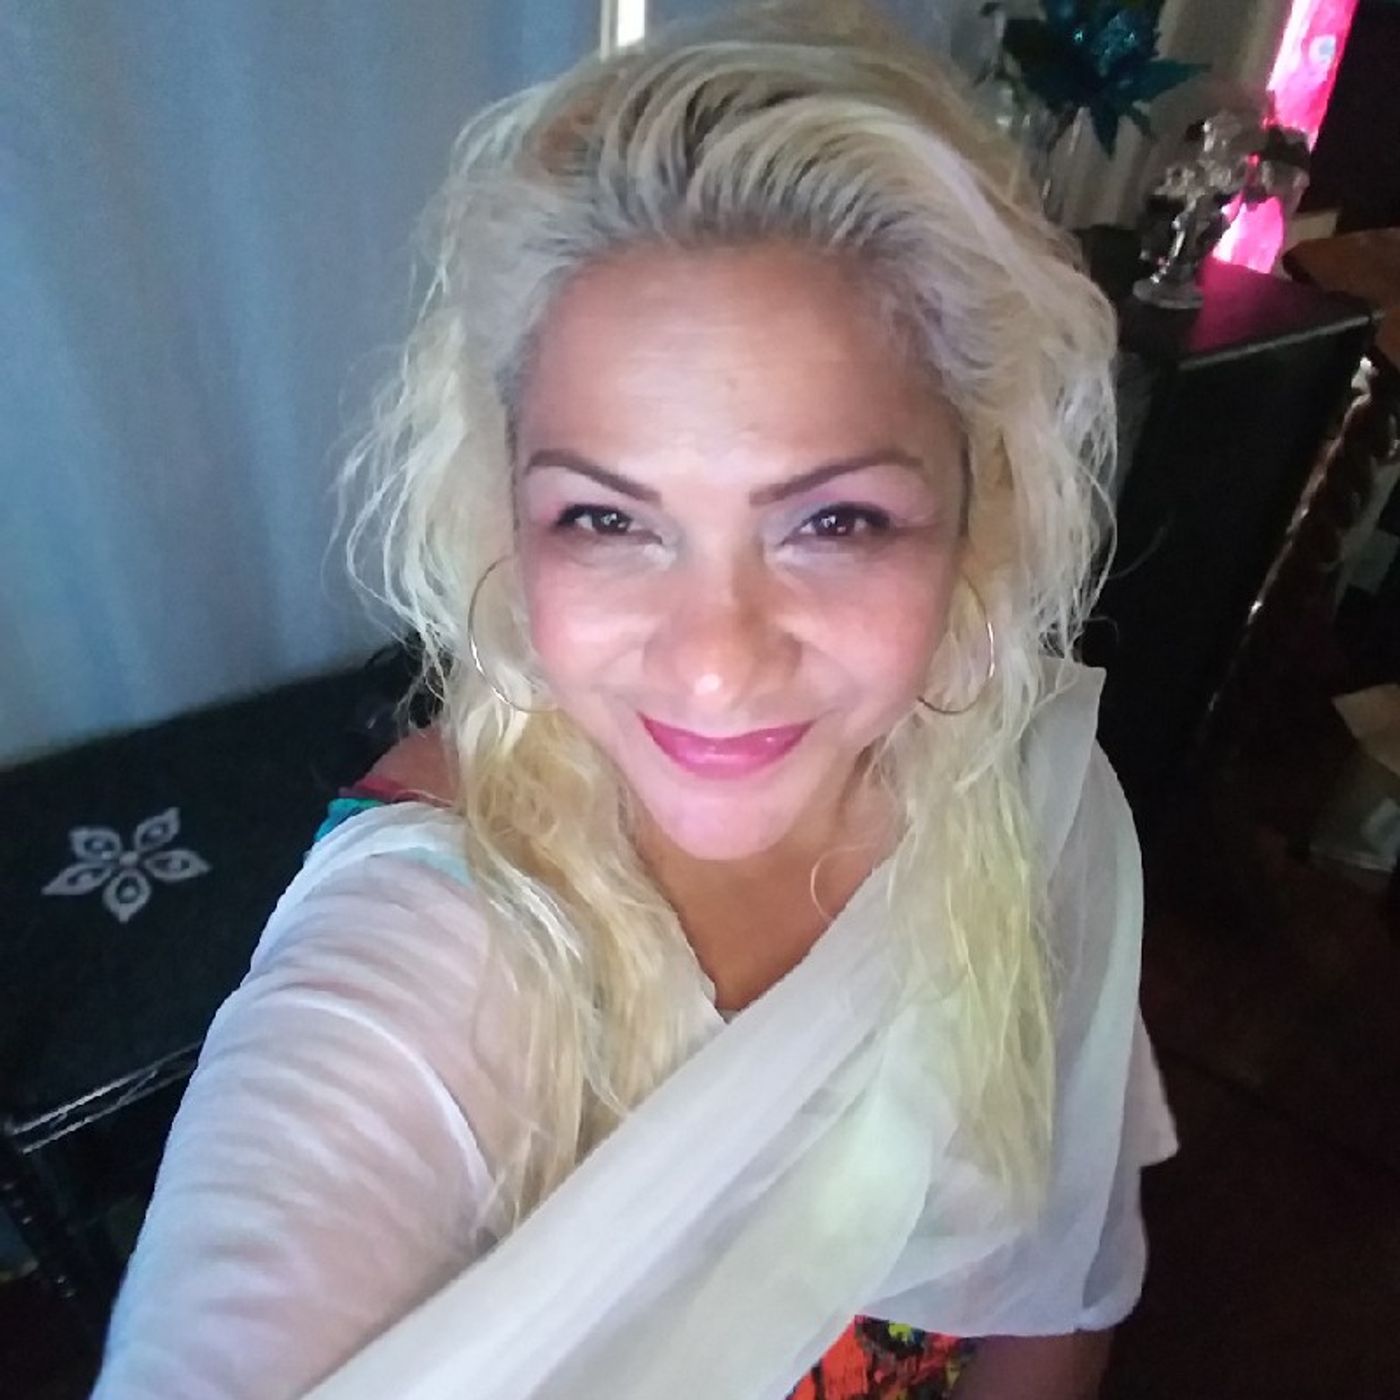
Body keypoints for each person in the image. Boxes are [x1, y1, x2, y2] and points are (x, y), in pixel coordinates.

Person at [91, 4, 1176, 1397]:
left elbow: (1059, 1281)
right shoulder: (427, 960)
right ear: (506, 515)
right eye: (607, 520)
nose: (716, 665)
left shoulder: (1033, 792)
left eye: (834, 521)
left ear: (979, 508)